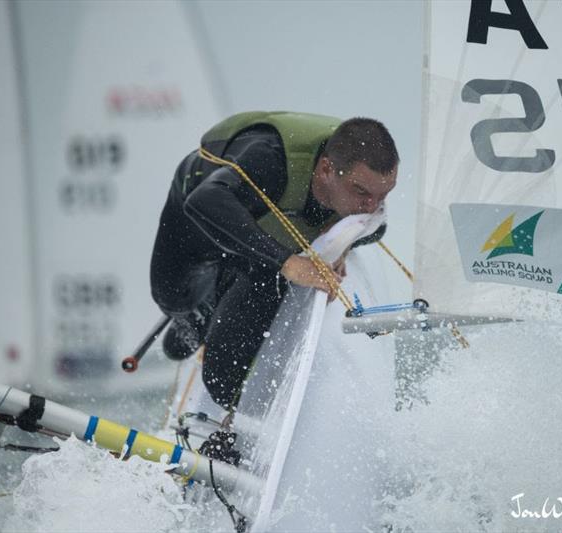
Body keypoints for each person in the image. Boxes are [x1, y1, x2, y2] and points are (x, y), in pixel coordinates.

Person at [150, 111, 399, 416]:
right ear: (325, 170)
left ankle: (235, 419)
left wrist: (343, 243)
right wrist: (288, 262)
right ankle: (194, 320)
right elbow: (205, 202)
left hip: (264, 248)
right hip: (202, 216)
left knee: (223, 377)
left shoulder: (365, 197)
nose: (371, 206)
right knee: (172, 296)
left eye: (383, 195)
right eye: (361, 192)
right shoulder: (269, 161)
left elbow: (377, 228)